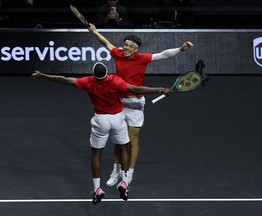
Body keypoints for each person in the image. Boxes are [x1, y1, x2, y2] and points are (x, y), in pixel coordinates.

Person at [31, 62, 172, 204]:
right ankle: (124, 182)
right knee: (124, 148)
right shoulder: (115, 81)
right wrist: (160, 89)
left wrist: (43, 75)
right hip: (117, 119)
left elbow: (64, 79)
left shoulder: (87, 82)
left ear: (94, 75)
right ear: (107, 73)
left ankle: (97, 189)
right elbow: (136, 88)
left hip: (100, 120)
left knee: (96, 154)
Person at [88, 23, 193, 187]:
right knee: (118, 139)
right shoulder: (117, 53)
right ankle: (116, 171)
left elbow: (163, 55)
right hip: (119, 101)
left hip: (136, 103)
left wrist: (181, 49)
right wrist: (95, 32)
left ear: (136, 49)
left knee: (133, 139)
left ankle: (128, 174)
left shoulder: (142, 58)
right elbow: (106, 43)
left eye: (130, 46)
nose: (127, 48)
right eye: (126, 45)